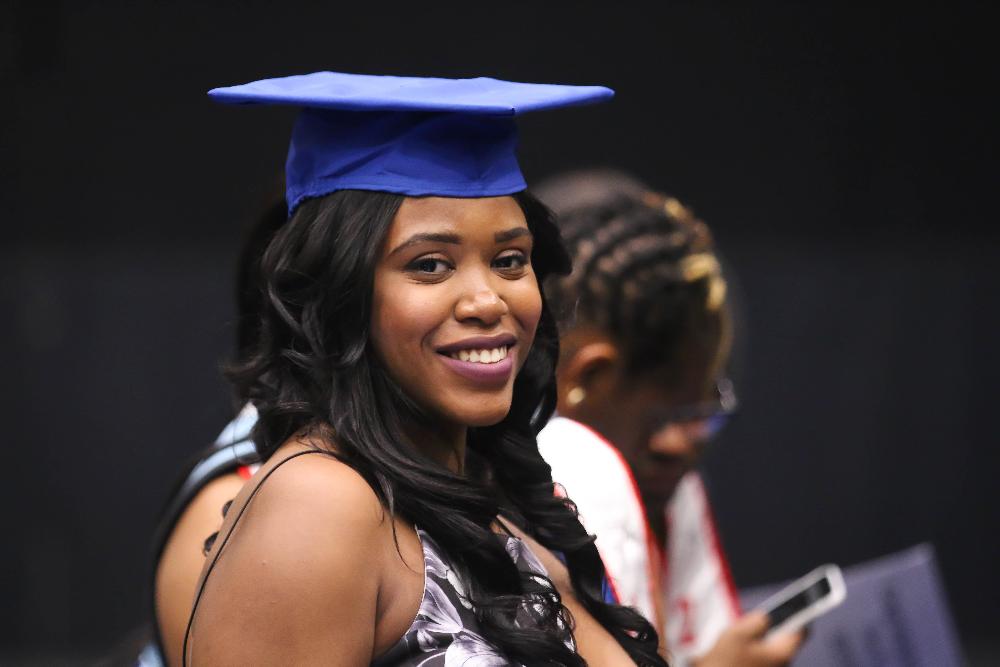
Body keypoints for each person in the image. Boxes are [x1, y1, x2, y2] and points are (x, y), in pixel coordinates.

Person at [172, 72, 666, 666]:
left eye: (510, 260)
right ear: (340, 298)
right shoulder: (323, 504)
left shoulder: (481, 503)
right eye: (430, 266)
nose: (487, 301)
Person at [534, 170, 804, 666]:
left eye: (705, 408)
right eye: (670, 415)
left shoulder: (674, 493)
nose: (685, 443)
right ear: (590, 377)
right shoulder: (563, 474)